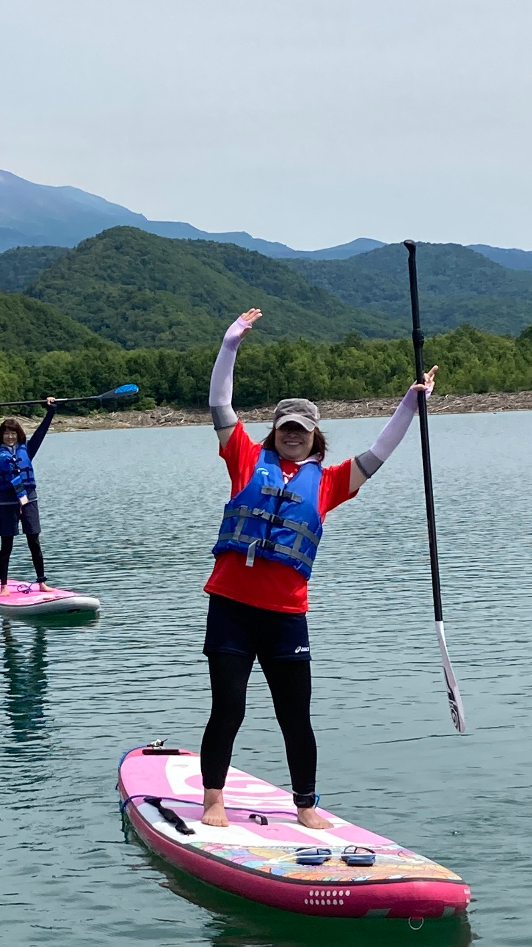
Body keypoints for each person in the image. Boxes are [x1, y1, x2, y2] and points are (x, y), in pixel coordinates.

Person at [199, 308, 437, 830]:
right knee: (229, 708)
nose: (292, 435)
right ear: (274, 432)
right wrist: (230, 345)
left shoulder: (329, 483)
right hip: (233, 609)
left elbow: (379, 452)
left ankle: (305, 804)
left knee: (295, 716)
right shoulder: (242, 457)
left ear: (314, 436)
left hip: (285, 616)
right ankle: (213, 798)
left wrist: (410, 403)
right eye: (285, 427)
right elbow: (220, 401)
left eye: (301, 430)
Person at [0, 399, 58, 595]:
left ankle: (42, 582)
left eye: (13, 433)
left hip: (28, 499)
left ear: (19, 434)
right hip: (7, 502)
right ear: (1, 436)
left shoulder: (28, 449)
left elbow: (42, 431)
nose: (10, 436)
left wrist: (50, 411)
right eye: (6, 433)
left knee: (34, 541)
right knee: (7, 544)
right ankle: (4, 586)